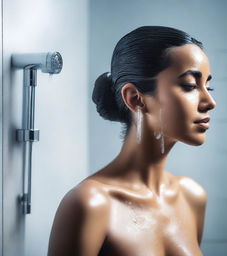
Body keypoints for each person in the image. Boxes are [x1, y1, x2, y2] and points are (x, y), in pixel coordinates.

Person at [47, 25, 216, 256]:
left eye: (208, 85)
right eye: (189, 86)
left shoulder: (192, 196)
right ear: (135, 99)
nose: (210, 101)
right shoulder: (90, 204)